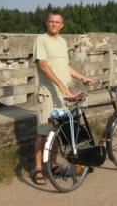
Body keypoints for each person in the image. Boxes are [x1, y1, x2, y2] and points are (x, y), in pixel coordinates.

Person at [31, 10, 94, 185]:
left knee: (58, 132)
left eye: (57, 22)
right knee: (43, 132)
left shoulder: (62, 41)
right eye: (51, 21)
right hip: (48, 94)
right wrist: (59, 84)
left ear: (62, 25)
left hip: (64, 94)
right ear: (46, 23)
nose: (54, 24)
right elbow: (43, 65)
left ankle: (52, 164)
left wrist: (82, 77)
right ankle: (37, 168)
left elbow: (66, 66)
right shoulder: (41, 40)